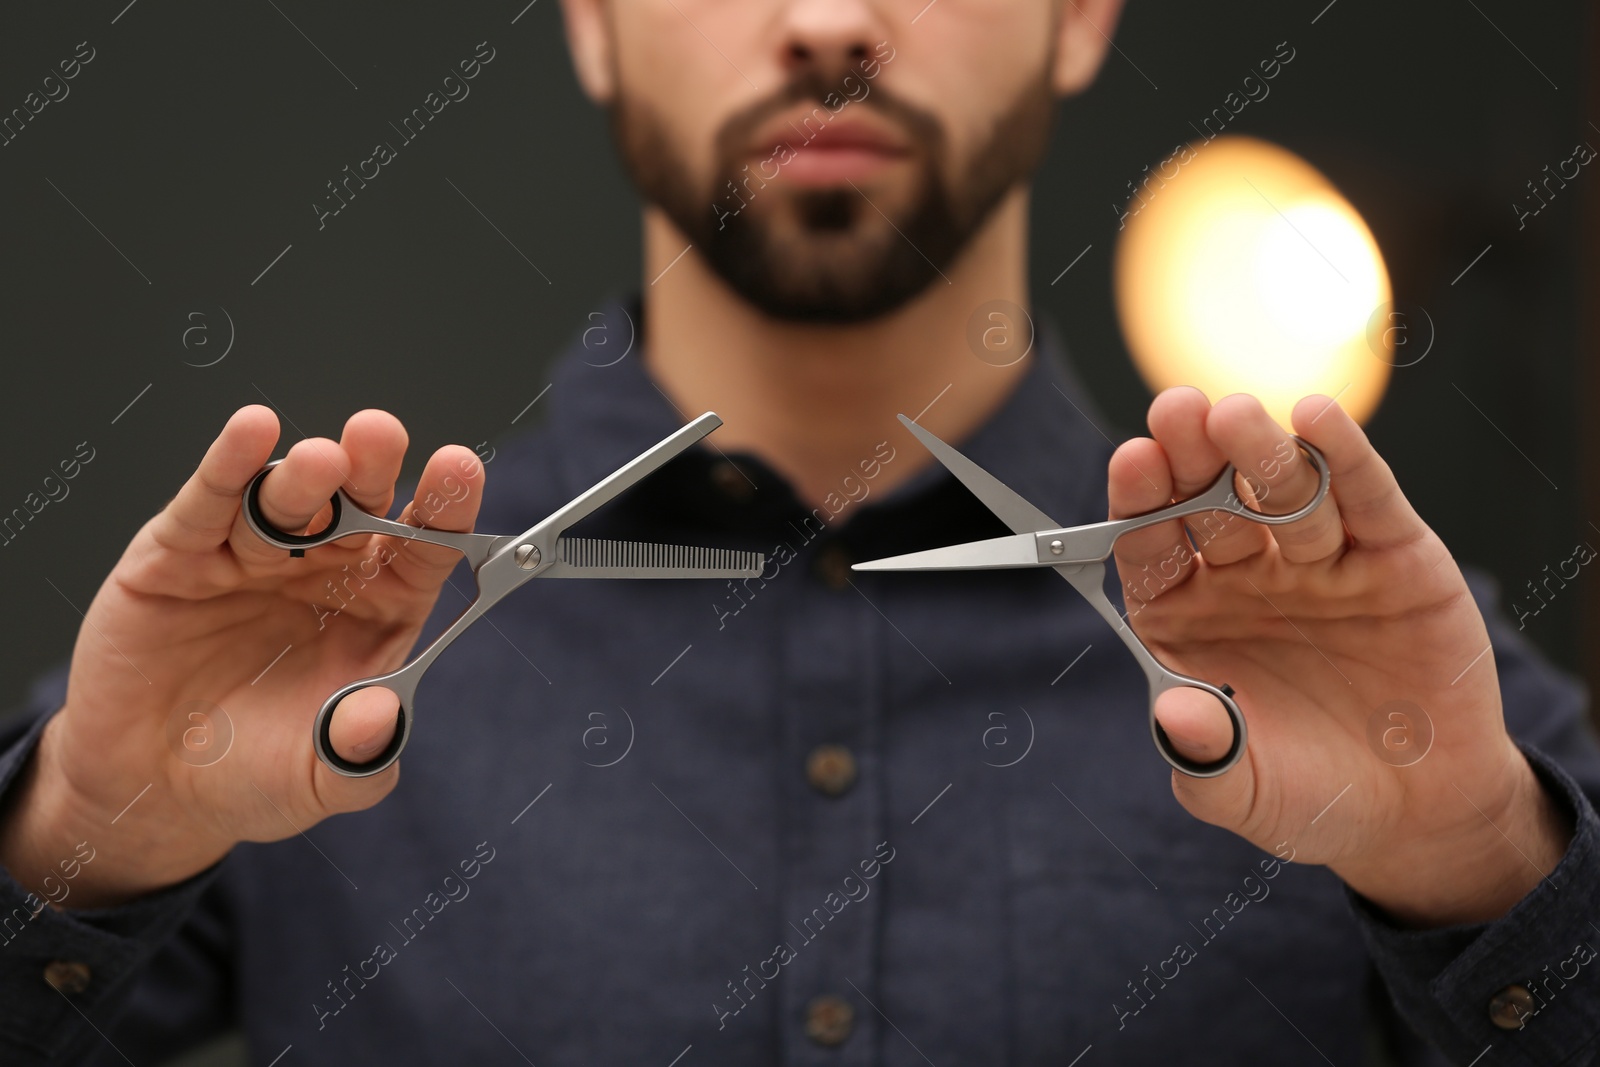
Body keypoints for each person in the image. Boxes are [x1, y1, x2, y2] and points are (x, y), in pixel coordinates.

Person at [2, 1, 1596, 1064]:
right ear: (593, 22)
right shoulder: (307, 653)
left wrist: (1471, 865)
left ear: (1082, 15)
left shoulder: (1388, 693)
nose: (829, 20)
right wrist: (86, 823)